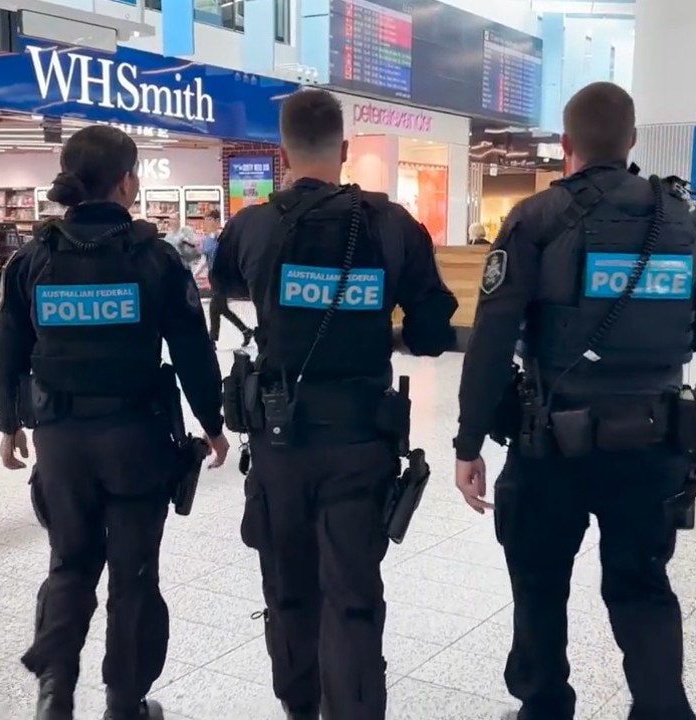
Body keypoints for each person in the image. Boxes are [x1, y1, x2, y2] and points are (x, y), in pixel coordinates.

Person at [452, 81, 696, 720]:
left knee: (540, 586)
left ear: (567, 145)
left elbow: (491, 342)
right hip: (656, 441)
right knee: (642, 586)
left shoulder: (537, 218)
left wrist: (469, 443)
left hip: (552, 446)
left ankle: (544, 707)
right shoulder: (688, 221)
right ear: (632, 140)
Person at [209, 88, 457, 720]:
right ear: (345, 150)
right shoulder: (394, 224)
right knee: (352, 596)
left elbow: (229, 285)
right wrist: (386, 330)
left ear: (281, 153)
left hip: (278, 441)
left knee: (288, 591)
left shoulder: (253, 225)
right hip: (360, 443)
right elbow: (432, 331)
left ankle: (298, 708)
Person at [0, 125, 230, 720]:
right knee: (134, 574)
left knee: (69, 564)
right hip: (138, 440)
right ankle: (125, 705)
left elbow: (8, 348)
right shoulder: (155, 259)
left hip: (61, 441)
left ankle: (54, 697)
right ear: (127, 182)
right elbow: (193, 349)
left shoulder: (33, 258)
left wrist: (8, 421)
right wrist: (212, 422)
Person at [200, 208, 253, 346]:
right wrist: (196, 273)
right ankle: (245, 330)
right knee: (220, 308)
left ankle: (213, 340)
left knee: (216, 307)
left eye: (211, 220)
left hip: (221, 275)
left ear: (217, 221)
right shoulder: (207, 238)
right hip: (213, 274)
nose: (208, 222)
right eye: (207, 219)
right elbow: (206, 259)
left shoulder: (221, 236)